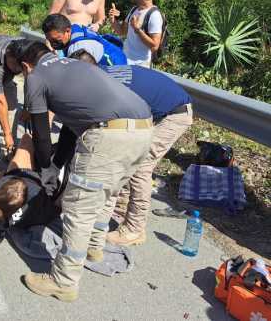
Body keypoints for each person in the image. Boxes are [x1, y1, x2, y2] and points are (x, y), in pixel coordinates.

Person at [17, 41, 153, 302]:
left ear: (26, 65)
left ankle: (63, 281)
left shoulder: (36, 76)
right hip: (144, 129)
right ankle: (94, 248)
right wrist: (56, 165)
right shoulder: (76, 66)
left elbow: (41, 134)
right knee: (107, 194)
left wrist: (46, 169)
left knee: (78, 209)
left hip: (109, 135)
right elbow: (70, 129)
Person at [70, 49, 194, 245]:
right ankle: (119, 213)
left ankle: (134, 229)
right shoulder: (102, 73)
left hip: (174, 114)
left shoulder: (109, 86)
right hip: (159, 111)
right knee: (127, 157)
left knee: (140, 167)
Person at [109, 0, 163, 67]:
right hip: (124, 60)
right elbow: (122, 32)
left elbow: (154, 46)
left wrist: (138, 30)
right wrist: (113, 20)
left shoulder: (155, 15)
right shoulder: (134, 9)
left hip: (140, 66)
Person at [42, 14, 126, 66]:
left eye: (56, 40)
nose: (53, 44)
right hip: (117, 54)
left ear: (67, 31)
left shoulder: (78, 49)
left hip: (115, 68)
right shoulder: (75, 27)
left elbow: (81, 77)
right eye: (49, 40)